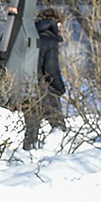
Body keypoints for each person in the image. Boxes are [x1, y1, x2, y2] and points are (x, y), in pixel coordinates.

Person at [22, 8, 67, 150]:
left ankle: (25, 160)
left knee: (31, 132)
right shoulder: (50, 40)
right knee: (59, 127)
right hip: (45, 91)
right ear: (56, 24)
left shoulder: (28, 36)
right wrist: (60, 89)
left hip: (27, 89)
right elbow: (51, 69)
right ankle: (57, 160)